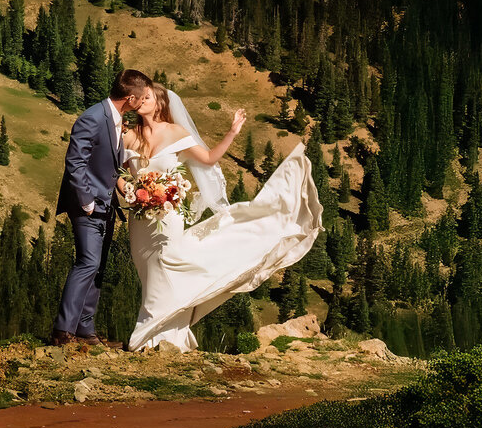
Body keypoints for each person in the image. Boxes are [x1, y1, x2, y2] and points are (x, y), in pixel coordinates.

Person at [121, 83, 324, 351]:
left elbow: (207, 159)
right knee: (148, 275)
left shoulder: (175, 133)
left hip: (167, 218)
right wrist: (132, 193)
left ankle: (152, 336)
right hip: (140, 221)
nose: (142, 101)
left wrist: (231, 132)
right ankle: (171, 338)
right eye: (140, 97)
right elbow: (120, 172)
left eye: (148, 97)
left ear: (160, 104)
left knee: (166, 270)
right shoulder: (128, 136)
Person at [52, 69, 153, 346]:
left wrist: (123, 188)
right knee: (87, 263)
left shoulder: (116, 119)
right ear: (130, 97)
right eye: (142, 97)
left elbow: (107, 165)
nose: (144, 101)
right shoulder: (93, 117)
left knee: (98, 267)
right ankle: (63, 331)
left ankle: (85, 329)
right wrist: (87, 201)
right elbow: (75, 162)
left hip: (106, 206)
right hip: (88, 206)